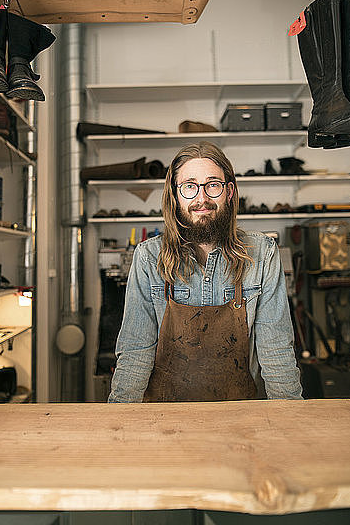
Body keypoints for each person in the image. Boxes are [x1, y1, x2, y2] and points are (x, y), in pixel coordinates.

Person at [108, 142, 302, 403]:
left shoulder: (262, 253)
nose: (202, 199)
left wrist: (291, 419)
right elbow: (136, 351)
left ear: (229, 191)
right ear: (175, 195)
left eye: (213, 185)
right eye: (189, 186)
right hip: (166, 419)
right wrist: (121, 421)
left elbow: (276, 349)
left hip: (241, 417)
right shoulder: (148, 257)